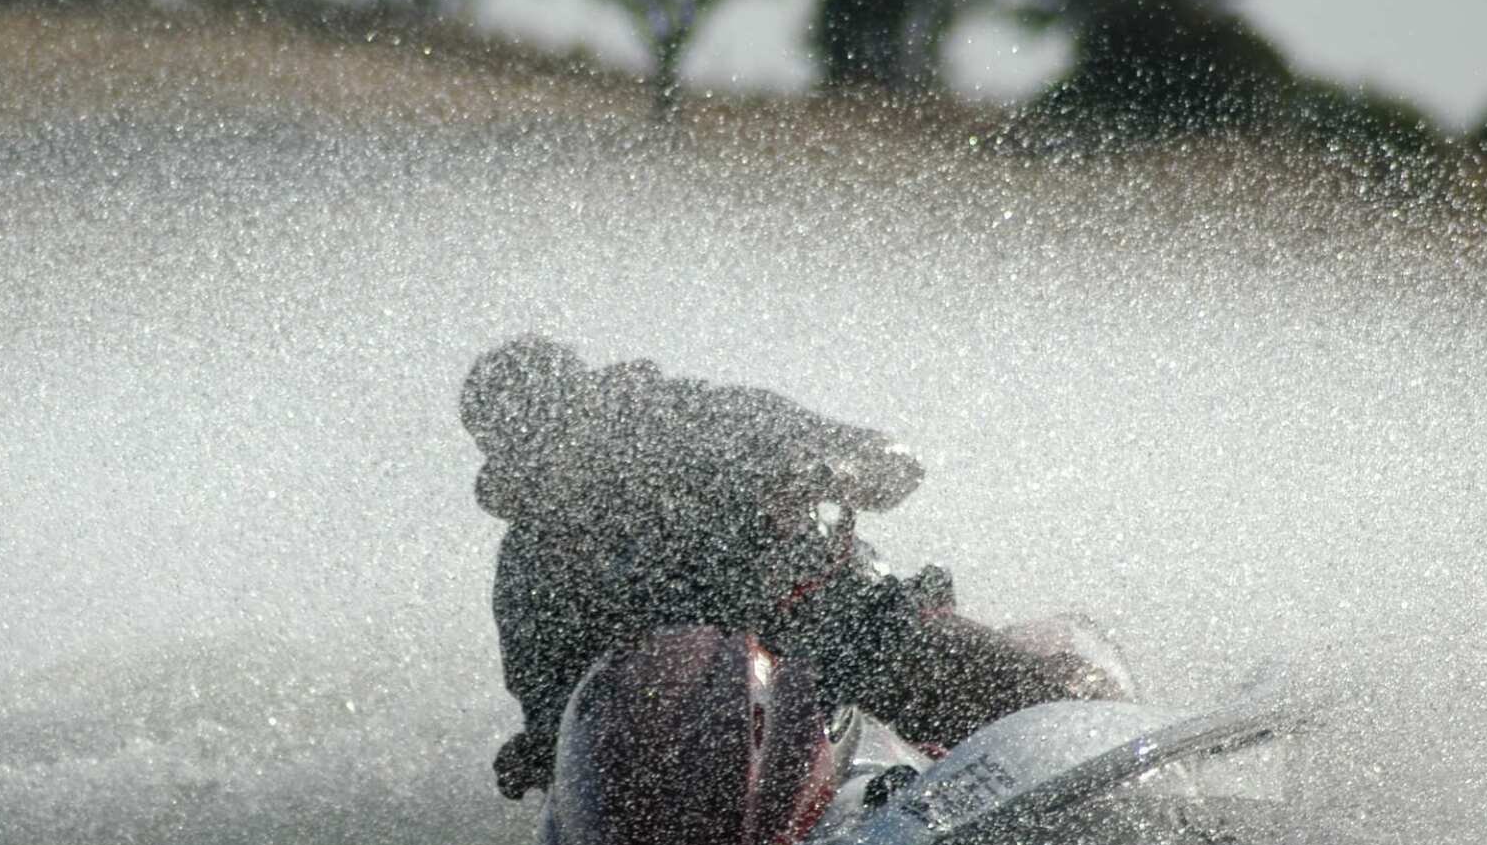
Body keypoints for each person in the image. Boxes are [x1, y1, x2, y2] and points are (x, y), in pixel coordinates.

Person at [461, 333, 1112, 800]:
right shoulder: (532, 568)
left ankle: (1119, 743)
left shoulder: (699, 421)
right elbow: (554, 704)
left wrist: (826, 471)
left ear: (589, 412)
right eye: (531, 456)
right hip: (701, 719)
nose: (558, 468)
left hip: (846, 633)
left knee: (1029, 691)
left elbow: (889, 461)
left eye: (560, 438)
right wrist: (540, 749)